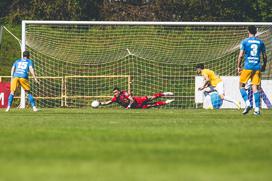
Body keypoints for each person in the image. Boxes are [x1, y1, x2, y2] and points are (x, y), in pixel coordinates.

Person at [237, 25, 267, 115]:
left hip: (247, 67)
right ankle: (257, 109)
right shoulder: (261, 42)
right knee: (255, 87)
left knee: (241, 86)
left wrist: (238, 66)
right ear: (256, 31)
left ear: (248, 31)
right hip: (257, 67)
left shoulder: (244, 41)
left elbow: (241, 55)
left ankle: (248, 103)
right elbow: (265, 56)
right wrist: (264, 65)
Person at [100, 87, 175, 109]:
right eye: (114, 93)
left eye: (116, 92)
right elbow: (108, 102)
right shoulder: (115, 98)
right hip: (136, 107)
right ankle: (166, 102)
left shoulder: (124, 93)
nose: (115, 94)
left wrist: (128, 106)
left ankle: (164, 94)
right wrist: (100, 103)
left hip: (138, 100)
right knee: (152, 105)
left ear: (119, 91)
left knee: (152, 97)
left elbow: (131, 100)